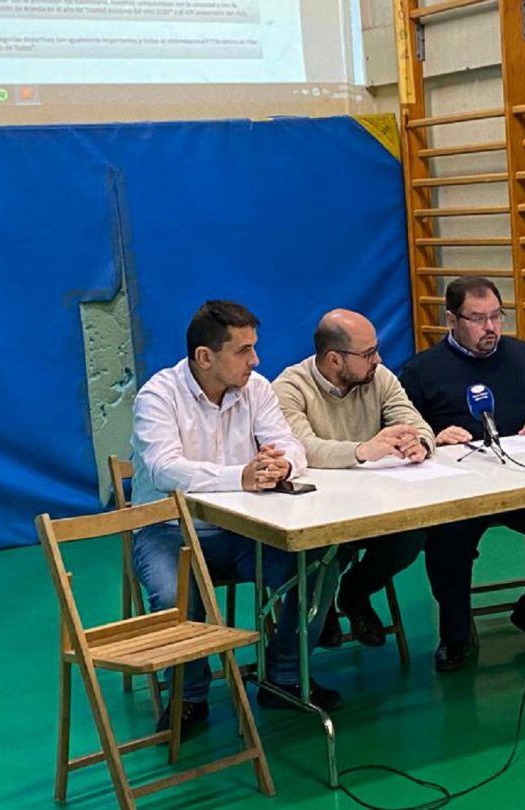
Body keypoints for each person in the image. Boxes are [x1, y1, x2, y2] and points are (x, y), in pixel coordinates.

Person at [131, 300, 342, 738]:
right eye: (244, 350)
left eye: (254, 348)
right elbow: (163, 469)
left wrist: (283, 466)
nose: (256, 360)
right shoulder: (157, 395)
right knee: (174, 592)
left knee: (319, 565)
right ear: (205, 357)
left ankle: (284, 674)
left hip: (246, 527)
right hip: (170, 528)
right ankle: (188, 697)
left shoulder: (257, 389)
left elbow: (290, 444)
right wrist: (239, 477)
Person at [399, 276, 525, 672]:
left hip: (523, 481)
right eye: (477, 319)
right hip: (459, 492)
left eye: (496, 316)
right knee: (448, 540)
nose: (490, 328)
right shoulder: (421, 370)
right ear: (451, 320)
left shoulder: (522, 356)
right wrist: (431, 436)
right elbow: (400, 426)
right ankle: (455, 634)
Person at [273, 309, 432, 647]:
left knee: (412, 534)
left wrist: (419, 443)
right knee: (329, 548)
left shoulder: (380, 377)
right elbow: (302, 448)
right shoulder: (289, 387)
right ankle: (323, 604)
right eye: (368, 353)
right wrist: (361, 451)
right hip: (316, 506)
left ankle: (355, 592)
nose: (378, 359)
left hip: (374, 500)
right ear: (334, 359)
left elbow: (412, 419)